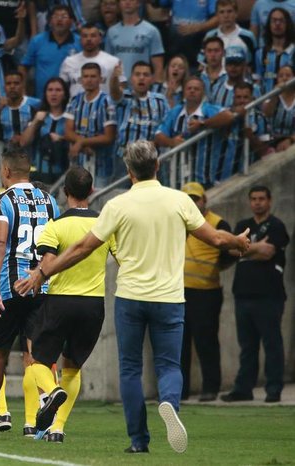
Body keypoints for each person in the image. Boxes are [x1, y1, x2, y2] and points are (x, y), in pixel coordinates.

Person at [20, 140, 250, 453]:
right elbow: (214, 238)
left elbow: (82, 248)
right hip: (169, 296)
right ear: (158, 166)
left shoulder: (117, 206)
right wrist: (237, 240)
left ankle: (138, 441)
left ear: (129, 173)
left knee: (130, 369)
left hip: (130, 297)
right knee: (169, 365)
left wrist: (44, 272)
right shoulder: (179, 200)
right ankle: (169, 403)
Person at [14, 166, 116, 442]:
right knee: (73, 366)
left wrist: (35, 279)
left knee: (37, 361)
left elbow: (47, 265)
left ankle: (50, 392)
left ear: (65, 192)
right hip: (93, 305)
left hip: (60, 301)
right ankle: (57, 428)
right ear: (92, 191)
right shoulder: (104, 226)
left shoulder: (55, 226)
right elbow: (122, 259)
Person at [0, 149, 60, 438]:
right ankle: (42, 411)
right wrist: (42, 276)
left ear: (5, 171)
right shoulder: (50, 200)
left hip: (9, 286)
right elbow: (55, 243)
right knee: (38, 355)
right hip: (41, 285)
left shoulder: (2, 200)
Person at [222, 186, 290, 403]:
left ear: (269, 201)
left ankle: (273, 389)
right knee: (247, 345)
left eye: (262, 199)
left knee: (272, 344)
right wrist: (255, 247)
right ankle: (243, 388)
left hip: (269, 295)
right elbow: (231, 251)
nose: (257, 202)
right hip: (243, 294)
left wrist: (246, 249)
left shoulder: (277, 226)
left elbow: (268, 252)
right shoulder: (243, 226)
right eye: (254, 199)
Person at [178, 182, 234, 402]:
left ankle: (211, 388)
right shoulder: (178, 222)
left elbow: (230, 253)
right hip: (179, 293)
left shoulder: (217, 222)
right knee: (180, 344)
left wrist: (214, 268)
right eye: (188, 199)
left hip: (206, 293)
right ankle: (181, 391)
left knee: (206, 341)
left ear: (204, 200)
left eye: (196, 198)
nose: (192, 203)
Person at [154, 76, 235, 188]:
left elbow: (228, 116)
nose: (192, 91)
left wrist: (203, 124)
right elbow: (158, 135)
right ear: (184, 92)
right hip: (178, 178)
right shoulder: (176, 112)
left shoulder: (208, 109)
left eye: (196, 89)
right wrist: (172, 142)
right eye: (189, 88)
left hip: (204, 178)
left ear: (203, 93)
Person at [109, 61, 169, 179]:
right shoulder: (124, 97)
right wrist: (115, 77)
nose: (141, 78)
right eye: (137, 74)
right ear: (132, 78)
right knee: (122, 193)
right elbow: (115, 93)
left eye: (146, 75)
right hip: (124, 157)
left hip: (151, 158)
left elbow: (166, 125)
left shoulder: (160, 100)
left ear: (152, 79)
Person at [63, 62, 117, 188]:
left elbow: (109, 136)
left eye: (93, 76)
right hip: (78, 163)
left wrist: (81, 143)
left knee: (99, 202)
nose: (89, 80)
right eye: (86, 76)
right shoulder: (75, 100)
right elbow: (67, 132)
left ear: (100, 79)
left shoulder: (107, 102)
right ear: (81, 79)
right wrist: (82, 143)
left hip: (101, 165)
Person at [20, 5, 80, 99]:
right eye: (55, 16)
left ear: (72, 21)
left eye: (64, 16)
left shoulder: (79, 42)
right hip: (42, 99)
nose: (59, 20)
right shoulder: (37, 41)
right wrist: (23, 91)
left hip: (72, 99)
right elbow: (23, 67)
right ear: (49, 21)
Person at [20, 77, 70, 182]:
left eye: (58, 90)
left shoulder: (69, 118)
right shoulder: (39, 116)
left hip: (64, 175)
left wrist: (62, 139)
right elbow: (23, 142)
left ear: (65, 94)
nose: (53, 94)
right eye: (50, 90)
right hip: (40, 174)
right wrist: (35, 122)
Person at [104, 0, 164, 82]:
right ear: (119, 4)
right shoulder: (111, 32)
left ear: (138, 3)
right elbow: (107, 64)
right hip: (118, 87)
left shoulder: (151, 31)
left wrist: (155, 89)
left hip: (141, 86)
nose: (127, 2)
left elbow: (158, 67)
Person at [60, 23, 120, 99]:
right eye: (85, 36)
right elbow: (62, 89)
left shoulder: (113, 62)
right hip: (75, 108)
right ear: (80, 40)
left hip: (103, 108)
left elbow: (120, 89)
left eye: (93, 36)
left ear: (100, 39)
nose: (89, 39)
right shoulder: (68, 62)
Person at [0, 71, 41, 152]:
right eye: (8, 84)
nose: (12, 86)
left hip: (31, 154)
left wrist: (24, 138)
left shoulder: (35, 104)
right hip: (5, 154)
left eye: (16, 83)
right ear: (4, 86)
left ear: (23, 85)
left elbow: (42, 130)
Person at [200, 0, 257, 68]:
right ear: (217, 15)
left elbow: (253, 63)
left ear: (236, 14)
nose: (226, 16)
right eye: (222, 12)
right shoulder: (210, 36)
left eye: (229, 11)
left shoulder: (248, 36)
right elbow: (202, 64)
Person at [253, 8, 295, 94]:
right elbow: (258, 80)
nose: (277, 24)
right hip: (266, 102)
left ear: (288, 24)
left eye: (281, 21)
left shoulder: (293, 52)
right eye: (274, 20)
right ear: (269, 24)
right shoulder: (260, 53)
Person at [263, 65, 295, 152]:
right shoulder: (271, 96)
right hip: (273, 143)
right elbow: (267, 113)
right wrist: (275, 94)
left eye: (288, 75)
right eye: (281, 76)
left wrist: (290, 140)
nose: (284, 78)